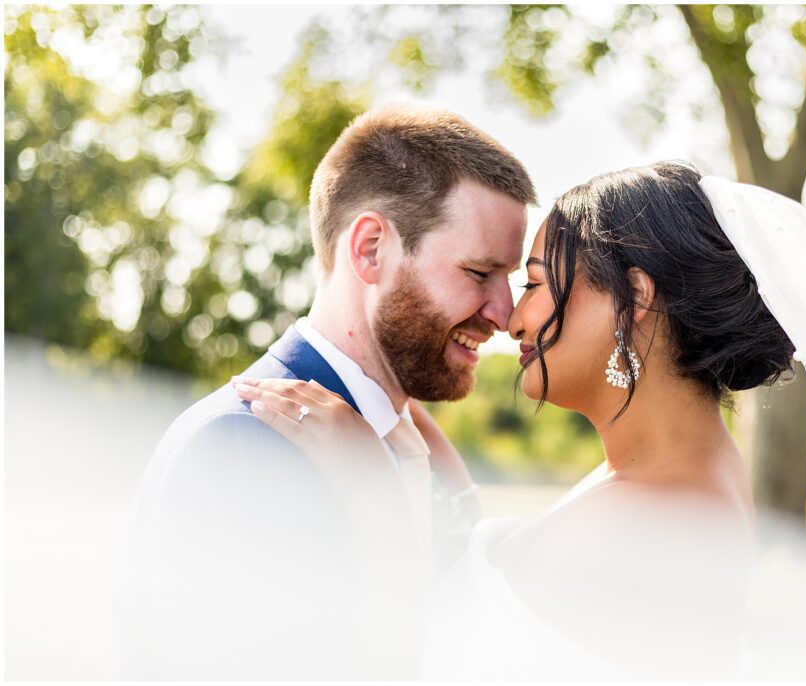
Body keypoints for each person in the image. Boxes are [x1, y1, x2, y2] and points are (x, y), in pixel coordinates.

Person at [239, 160, 806, 679]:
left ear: (635, 299)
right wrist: (422, 458)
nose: (511, 318)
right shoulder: (663, 473)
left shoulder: (661, 514)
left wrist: (373, 498)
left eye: (539, 283)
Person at [115, 104, 536, 679]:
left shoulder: (416, 447)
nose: (504, 313)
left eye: (509, 278)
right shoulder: (244, 443)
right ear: (370, 249)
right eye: (478, 272)